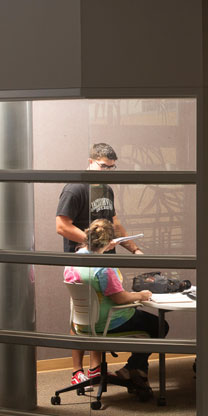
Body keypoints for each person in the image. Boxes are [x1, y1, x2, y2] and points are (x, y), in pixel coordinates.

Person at [56, 143, 145, 385]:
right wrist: (94, 243)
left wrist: (135, 249)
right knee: (81, 314)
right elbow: (62, 226)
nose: (107, 171)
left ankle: (96, 367)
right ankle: (77, 371)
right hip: (82, 261)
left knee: (99, 315)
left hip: (104, 261)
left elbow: (114, 222)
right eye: (103, 166)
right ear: (90, 161)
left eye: (112, 168)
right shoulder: (75, 189)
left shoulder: (105, 189)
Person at [63, 219, 165, 399]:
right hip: (109, 322)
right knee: (159, 325)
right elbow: (119, 298)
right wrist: (141, 295)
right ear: (111, 242)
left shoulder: (73, 261)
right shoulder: (103, 268)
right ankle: (132, 368)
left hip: (82, 325)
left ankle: (135, 372)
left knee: (148, 323)